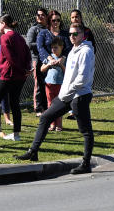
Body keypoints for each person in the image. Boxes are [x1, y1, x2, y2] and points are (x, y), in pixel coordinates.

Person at [15, 23, 96, 175]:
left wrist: (69, 91)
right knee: (45, 117)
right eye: (70, 34)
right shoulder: (73, 50)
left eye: (75, 34)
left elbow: (83, 78)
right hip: (66, 95)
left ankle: (86, 164)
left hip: (79, 95)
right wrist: (65, 92)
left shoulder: (85, 51)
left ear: (82, 35)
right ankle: (33, 152)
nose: (72, 37)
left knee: (85, 130)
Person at [0, 14, 30, 141]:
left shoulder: (5, 37)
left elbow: (9, 57)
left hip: (9, 75)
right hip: (20, 76)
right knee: (15, 103)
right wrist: (26, 69)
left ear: (3, 24)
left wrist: (22, 69)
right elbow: (27, 53)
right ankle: (16, 134)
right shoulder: (19, 37)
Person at [25, 8, 48, 114]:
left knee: (48, 83)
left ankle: (46, 106)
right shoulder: (33, 29)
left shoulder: (49, 28)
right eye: (38, 15)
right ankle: (38, 108)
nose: (40, 17)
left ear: (46, 16)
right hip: (37, 59)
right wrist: (42, 44)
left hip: (48, 59)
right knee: (38, 83)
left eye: (42, 15)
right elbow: (29, 44)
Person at [41, 37, 66, 131]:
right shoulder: (49, 57)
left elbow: (67, 71)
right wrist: (48, 64)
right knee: (50, 104)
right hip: (49, 83)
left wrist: (60, 64)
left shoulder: (64, 59)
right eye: (52, 47)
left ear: (61, 47)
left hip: (60, 84)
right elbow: (41, 69)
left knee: (59, 104)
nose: (53, 49)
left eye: (56, 47)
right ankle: (52, 124)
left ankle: (59, 124)